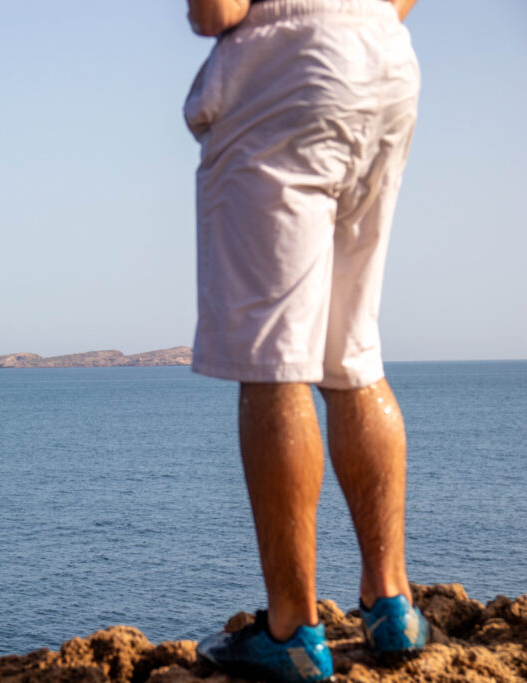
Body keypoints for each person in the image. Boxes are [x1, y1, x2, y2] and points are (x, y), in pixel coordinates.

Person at [182, 0, 428, 681]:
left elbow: (217, 10)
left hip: (288, 68)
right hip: (381, 56)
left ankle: (291, 630)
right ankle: (392, 605)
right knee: (353, 349)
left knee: (275, 362)